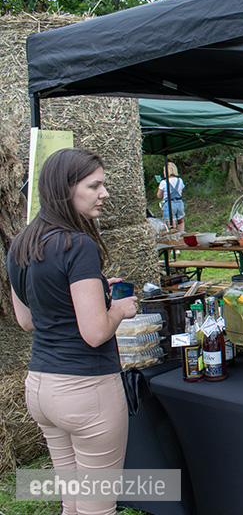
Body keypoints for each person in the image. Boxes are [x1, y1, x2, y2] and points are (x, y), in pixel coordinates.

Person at [6, 148, 138, 515]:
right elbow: (95, 333)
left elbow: (27, 319)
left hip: (40, 388)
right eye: (94, 186)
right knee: (97, 508)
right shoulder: (78, 244)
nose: (104, 194)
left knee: (73, 503)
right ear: (65, 189)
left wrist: (90, 294)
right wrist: (119, 309)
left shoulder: (21, 243)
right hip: (86, 390)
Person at [157, 161, 186, 233]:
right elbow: (181, 190)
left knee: (171, 224)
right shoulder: (180, 180)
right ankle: (181, 235)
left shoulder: (164, 182)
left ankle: (174, 236)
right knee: (181, 221)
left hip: (169, 204)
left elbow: (159, 195)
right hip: (179, 202)